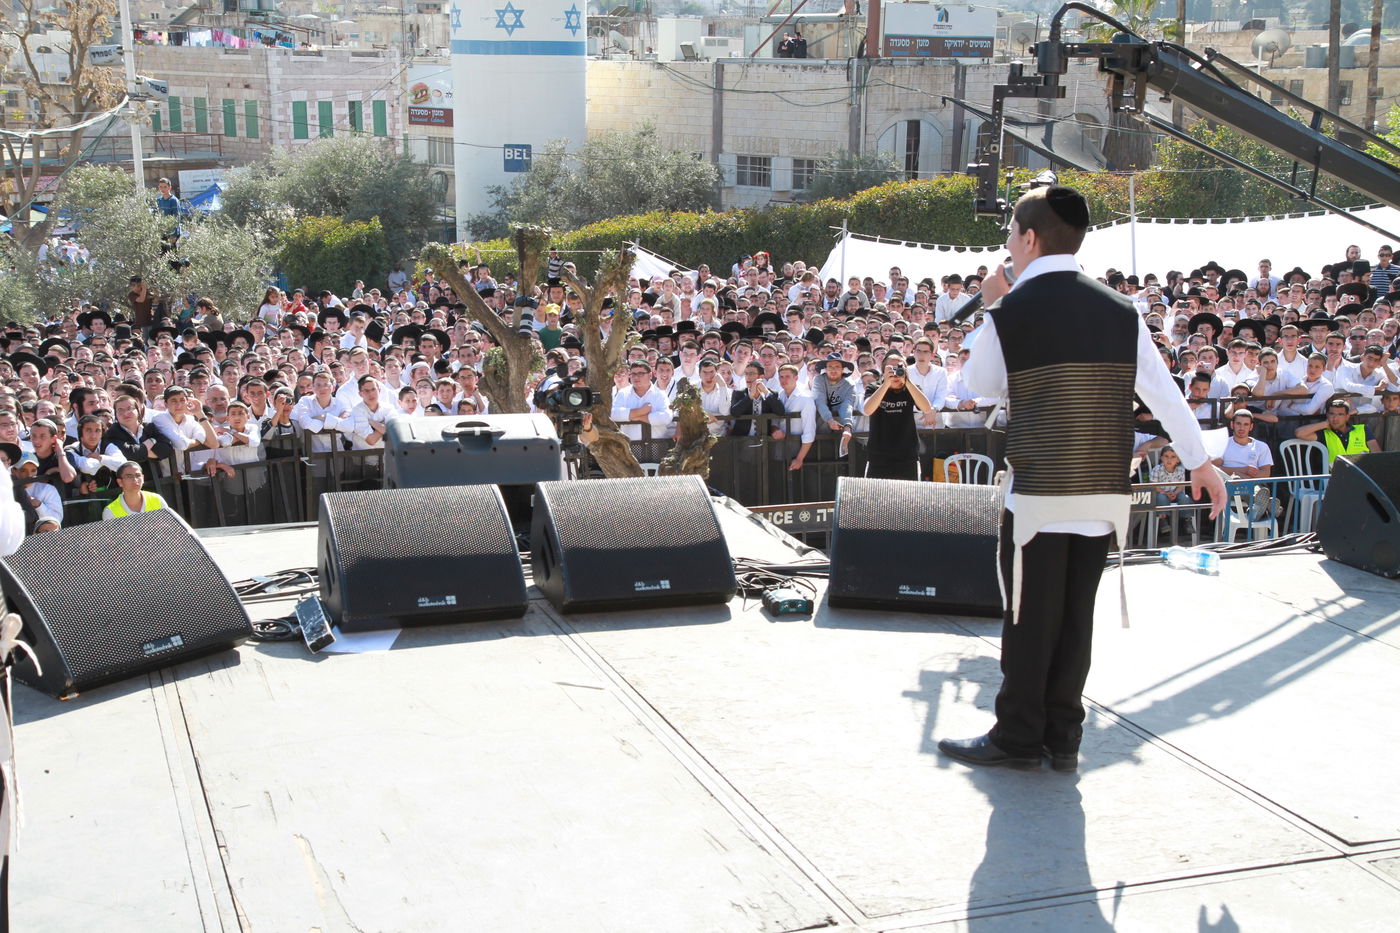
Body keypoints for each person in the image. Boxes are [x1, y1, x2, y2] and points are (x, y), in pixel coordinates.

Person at [938, 185, 1226, 772]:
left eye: (1010, 236)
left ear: (1028, 238)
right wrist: (1199, 461)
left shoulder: (1014, 308)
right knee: (1075, 617)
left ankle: (1019, 737)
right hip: (1102, 492)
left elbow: (980, 384)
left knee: (1028, 618)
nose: (1007, 247)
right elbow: (1163, 393)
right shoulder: (1121, 310)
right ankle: (1063, 737)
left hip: (1039, 494)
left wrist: (994, 308)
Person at [861, 351, 933, 480]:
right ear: (883, 371)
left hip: (907, 454)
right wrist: (885, 384)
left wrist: (907, 382)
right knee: (876, 492)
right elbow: (867, 410)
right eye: (891, 369)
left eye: (898, 368)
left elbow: (926, 408)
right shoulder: (874, 388)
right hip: (878, 454)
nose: (895, 373)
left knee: (908, 492)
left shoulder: (912, 388)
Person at [1296, 397, 1381, 468]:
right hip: (1336, 478)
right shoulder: (1324, 433)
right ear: (1327, 415)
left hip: (1362, 475)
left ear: (1347, 417)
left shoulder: (1363, 429)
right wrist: (1324, 424)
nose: (1335, 418)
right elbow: (1299, 433)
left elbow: (1378, 455)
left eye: (1340, 414)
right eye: (1331, 414)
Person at [102, 460, 172, 519]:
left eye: (138, 475)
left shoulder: (157, 500)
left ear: (143, 478)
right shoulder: (110, 512)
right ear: (120, 482)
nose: (135, 480)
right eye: (129, 476)